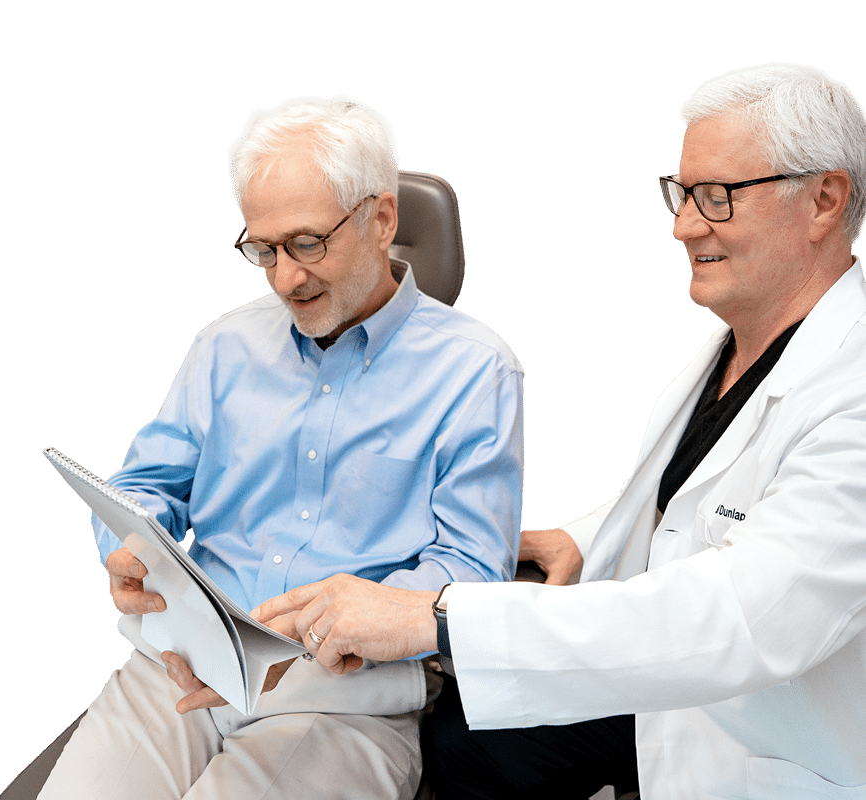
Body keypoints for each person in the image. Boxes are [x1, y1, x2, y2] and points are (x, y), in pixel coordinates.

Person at [252, 62, 866, 799]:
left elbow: (742, 612)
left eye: (716, 197)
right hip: (684, 686)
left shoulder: (852, 389)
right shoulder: (743, 345)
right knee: (468, 738)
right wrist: (585, 536)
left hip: (768, 733)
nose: (682, 225)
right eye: (680, 194)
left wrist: (435, 616)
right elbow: (708, 495)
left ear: (825, 199)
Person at [37, 94, 524, 800]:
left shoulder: (476, 370)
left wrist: (352, 616)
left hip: (344, 700)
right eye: (262, 249)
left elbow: (471, 573)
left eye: (306, 244)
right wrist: (129, 544)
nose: (285, 279)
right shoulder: (225, 346)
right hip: (181, 668)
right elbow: (148, 484)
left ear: (381, 219)